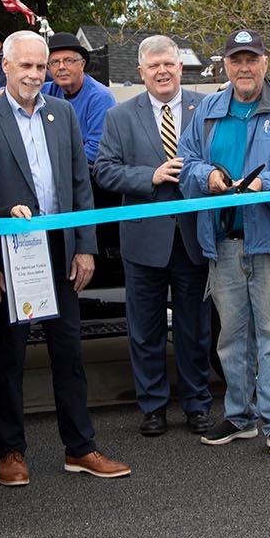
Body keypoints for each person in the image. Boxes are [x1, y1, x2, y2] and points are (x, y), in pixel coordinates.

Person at [0, 30, 130, 484]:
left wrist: (85, 246)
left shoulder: (62, 114)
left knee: (68, 353)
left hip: (60, 251)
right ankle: (11, 451)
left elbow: (79, 184)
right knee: (10, 357)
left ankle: (80, 447)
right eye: (25, 65)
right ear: (6, 66)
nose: (34, 74)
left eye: (40, 66)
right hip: (11, 257)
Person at [179, 28, 270, 457]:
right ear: (225, 66)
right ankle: (239, 416)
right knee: (231, 337)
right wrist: (208, 176)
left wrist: (264, 184)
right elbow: (187, 163)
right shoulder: (207, 110)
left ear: (265, 63)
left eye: (251, 59)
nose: (244, 67)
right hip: (223, 243)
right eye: (236, 60)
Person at [92, 35, 213, 437]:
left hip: (193, 238)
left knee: (195, 329)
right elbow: (104, 170)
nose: (162, 71)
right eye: (154, 66)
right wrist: (150, 176)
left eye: (168, 64)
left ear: (180, 68)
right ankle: (153, 407)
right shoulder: (119, 117)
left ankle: (197, 404)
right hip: (143, 242)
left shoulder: (206, 109)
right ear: (140, 72)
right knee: (145, 330)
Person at [43, 32, 116, 160]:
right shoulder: (43, 92)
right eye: (54, 62)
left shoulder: (100, 98)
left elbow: (96, 149)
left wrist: (58, 166)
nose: (61, 67)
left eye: (68, 61)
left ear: (82, 64)